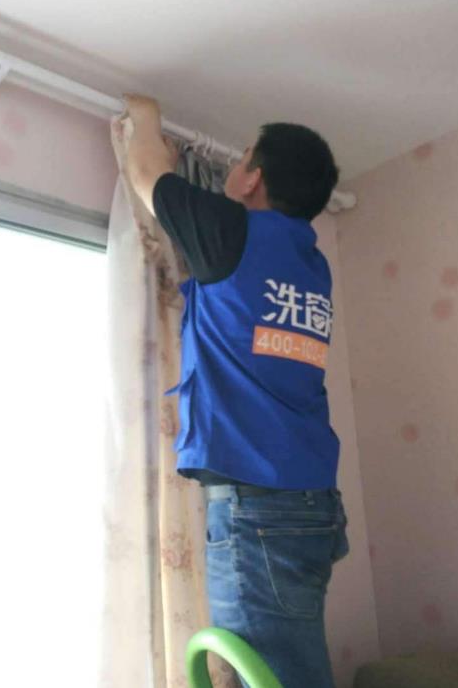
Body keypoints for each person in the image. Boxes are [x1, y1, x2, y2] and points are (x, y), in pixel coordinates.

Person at [119, 93, 351, 688]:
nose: (236, 166)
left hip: (265, 510)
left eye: (243, 156)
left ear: (253, 178)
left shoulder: (234, 234)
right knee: (289, 668)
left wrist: (143, 115)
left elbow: (145, 173)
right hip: (306, 502)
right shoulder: (310, 264)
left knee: (275, 675)